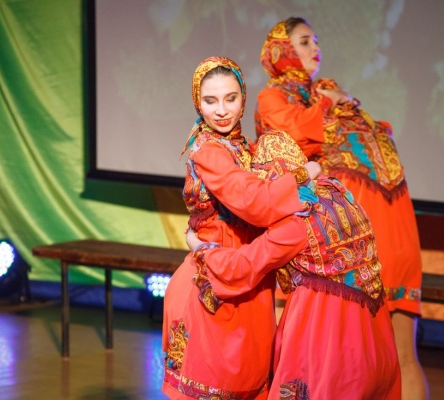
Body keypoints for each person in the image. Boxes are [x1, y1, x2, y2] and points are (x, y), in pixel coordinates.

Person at [255, 17, 429, 400]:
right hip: (375, 230)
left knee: (307, 355)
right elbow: (296, 132)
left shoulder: (322, 97)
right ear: (281, 49)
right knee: (391, 358)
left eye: (315, 40)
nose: (315, 48)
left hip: (346, 235)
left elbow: (291, 146)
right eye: (304, 41)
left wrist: (328, 101)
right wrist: (330, 101)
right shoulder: (310, 99)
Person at [186, 130, 401, 399]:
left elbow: (241, 267)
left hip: (328, 333)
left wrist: (200, 247)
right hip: (376, 335)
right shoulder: (339, 193)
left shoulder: (297, 220)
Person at [162, 56, 318, 399]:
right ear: (197, 103)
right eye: (210, 101)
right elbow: (255, 203)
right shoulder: (210, 151)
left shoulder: (243, 147)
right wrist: (303, 176)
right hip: (214, 286)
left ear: (243, 98)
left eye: (230, 98)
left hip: (249, 280)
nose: (221, 111)